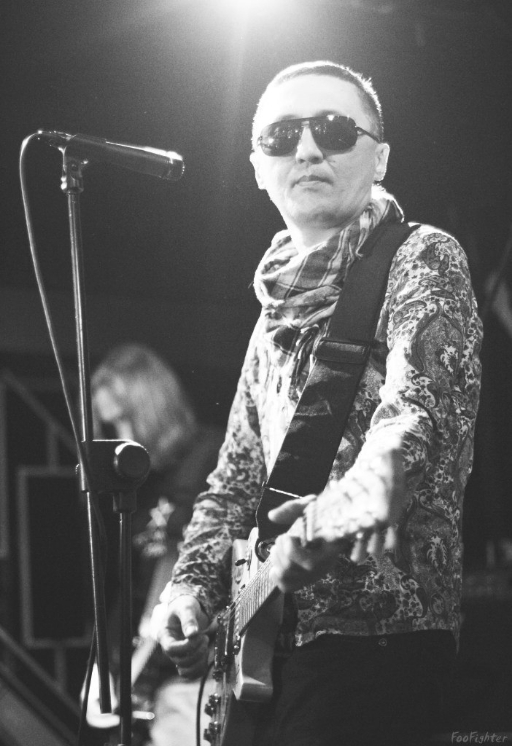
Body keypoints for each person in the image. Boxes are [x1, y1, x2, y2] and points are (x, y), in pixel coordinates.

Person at [150, 61, 483, 746]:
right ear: (257, 168)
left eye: (332, 129)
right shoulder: (271, 316)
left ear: (379, 157)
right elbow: (234, 482)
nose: (305, 149)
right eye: (281, 136)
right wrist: (187, 593)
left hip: (380, 650)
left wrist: (363, 491)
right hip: (270, 657)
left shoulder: (420, 257)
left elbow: (417, 412)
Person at [85, 343, 222, 745]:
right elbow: (128, 585)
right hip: (146, 664)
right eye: (111, 426)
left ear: (153, 405)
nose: (120, 437)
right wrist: (106, 664)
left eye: (125, 420)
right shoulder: (136, 485)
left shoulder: (208, 454)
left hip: (197, 660)